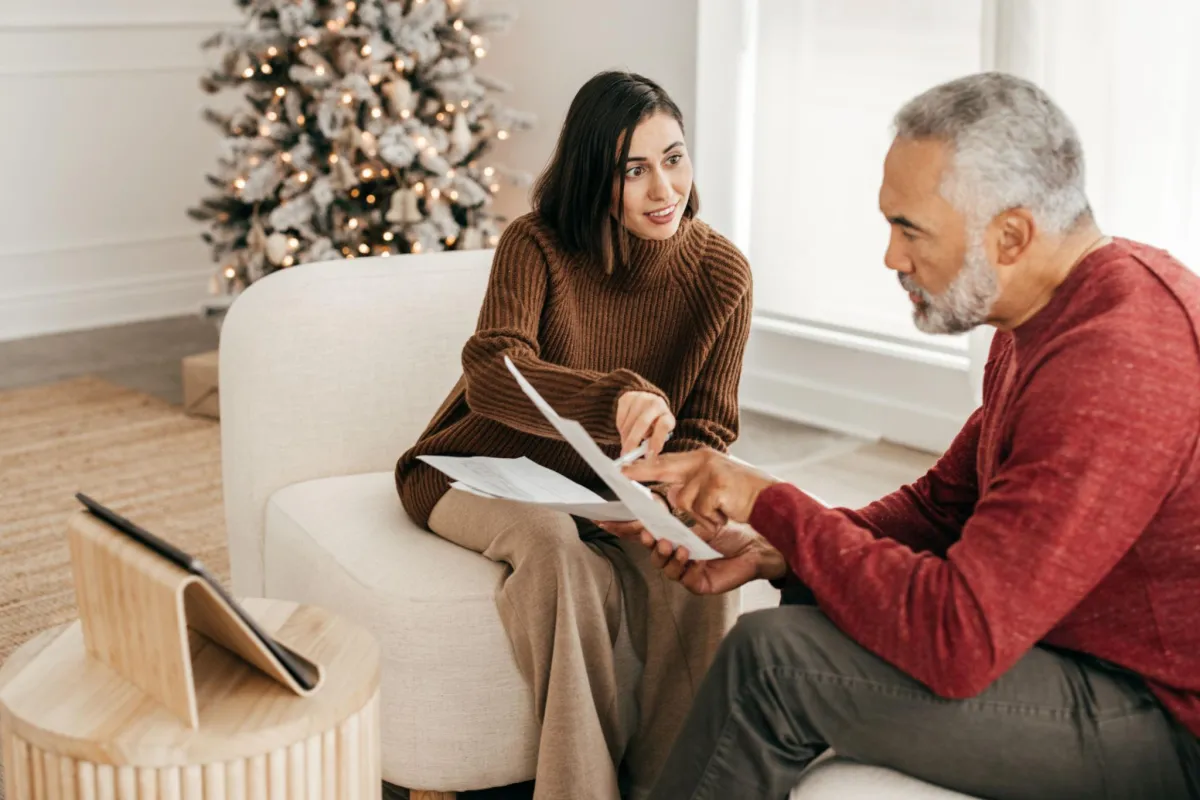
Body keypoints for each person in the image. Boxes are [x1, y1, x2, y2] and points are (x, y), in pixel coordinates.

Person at [621, 72, 1200, 800]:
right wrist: (782, 550)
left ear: (1012, 235)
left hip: (1165, 727)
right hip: (1082, 657)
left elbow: (959, 639)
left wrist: (768, 500)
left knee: (774, 664)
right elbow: (939, 508)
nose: (892, 258)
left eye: (910, 229)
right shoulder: (1046, 313)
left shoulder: (1115, 362)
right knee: (808, 602)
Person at [395, 70, 753, 800]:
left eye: (675, 158)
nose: (665, 189)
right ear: (597, 174)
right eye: (635, 169)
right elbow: (494, 370)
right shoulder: (537, 245)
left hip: (604, 495)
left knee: (703, 550)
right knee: (553, 551)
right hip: (472, 470)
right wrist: (613, 397)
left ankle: (677, 785)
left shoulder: (724, 276)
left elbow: (710, 427)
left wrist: (657, 490)